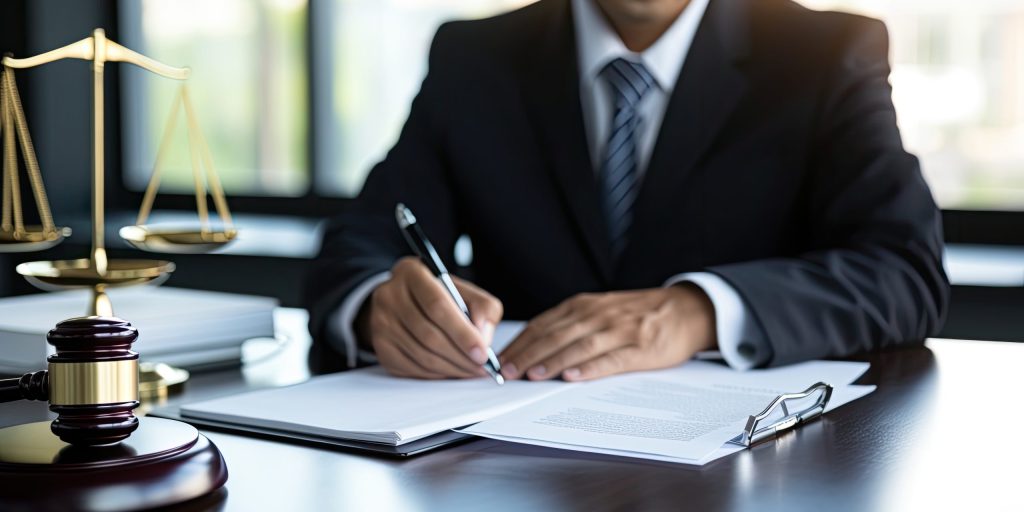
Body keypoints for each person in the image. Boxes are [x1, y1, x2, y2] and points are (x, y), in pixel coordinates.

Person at [303, 0, 949, 381]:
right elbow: (363, 239)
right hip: (505, 462)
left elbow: (903, 269)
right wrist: (377, 304)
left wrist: (697, 313)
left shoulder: (823, 53)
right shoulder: (475, 55)